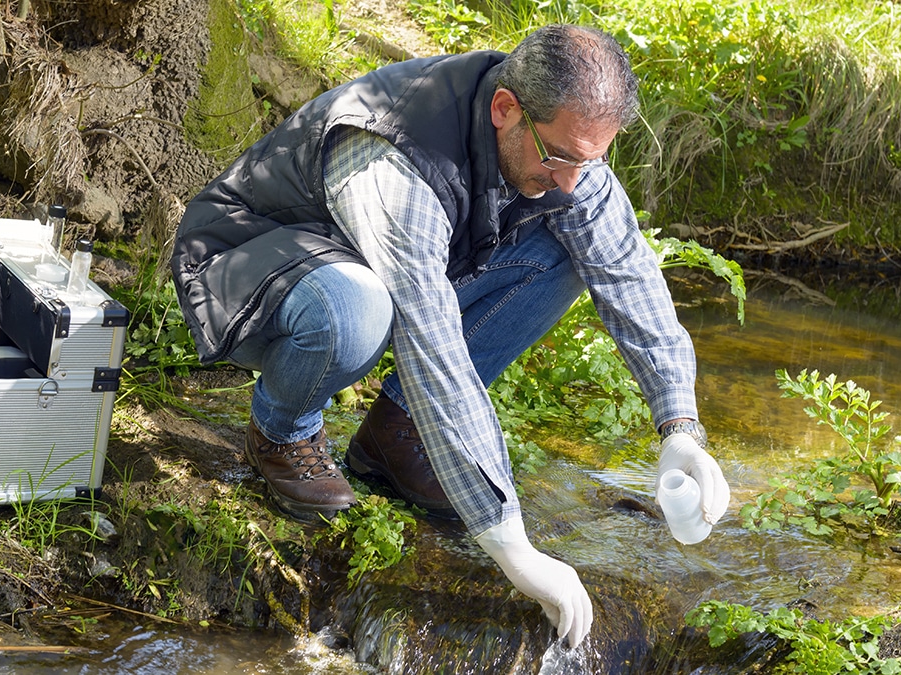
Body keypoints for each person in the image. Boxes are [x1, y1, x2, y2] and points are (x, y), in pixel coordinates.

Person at [170, 23, 731, 648]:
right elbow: (430, 337)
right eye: (561, 158)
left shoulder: (559, 146)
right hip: (250, 261)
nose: (573, 181)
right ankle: (282, 432)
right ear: (505, 109)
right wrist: (510, 544)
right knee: (357, 310)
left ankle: (396, 435)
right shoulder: (398, 151)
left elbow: (628, 274)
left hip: (364, 262)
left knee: (569, 248)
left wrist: (680, 428)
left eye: (590, 161)